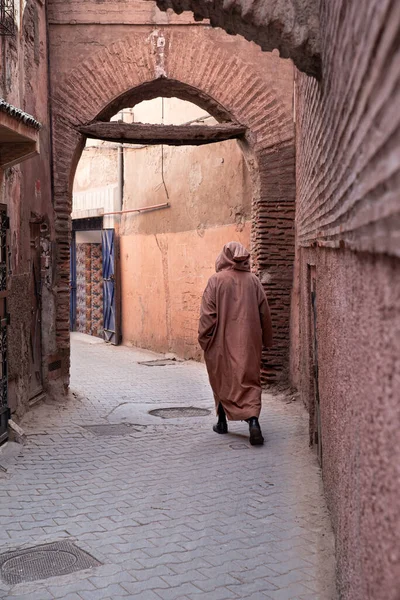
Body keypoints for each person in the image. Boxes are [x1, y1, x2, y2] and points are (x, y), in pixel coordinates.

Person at [198, 241, 273, 446]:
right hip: (249, 343)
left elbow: (208, 315)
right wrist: (267, 340)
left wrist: (204, 339)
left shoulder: (215, 281)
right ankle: (253, 422)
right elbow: (264, 313)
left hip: (220, 343)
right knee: (249, 380)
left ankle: (222, 422)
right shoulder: (254, 281)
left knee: (222, 379)